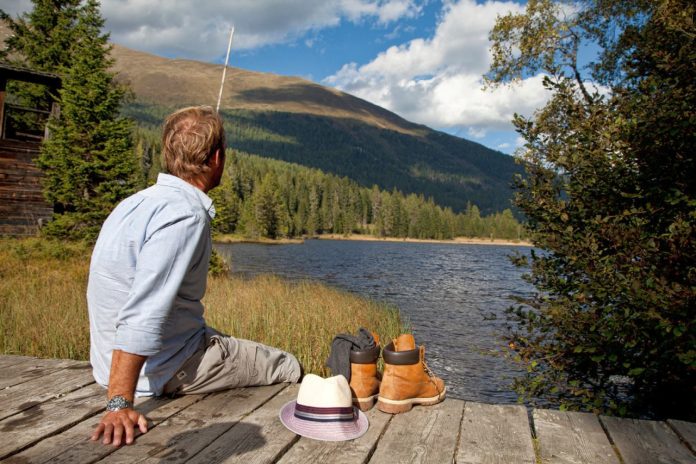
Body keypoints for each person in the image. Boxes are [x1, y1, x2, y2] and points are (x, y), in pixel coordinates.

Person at [87, 106, 301, 447]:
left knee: (225, 341)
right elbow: (143, 313)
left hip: (109, 364)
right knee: (288, 365)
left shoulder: (133, 204)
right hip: (164, 371)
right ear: (217, 158)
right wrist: (119, 403)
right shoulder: (185, 215)